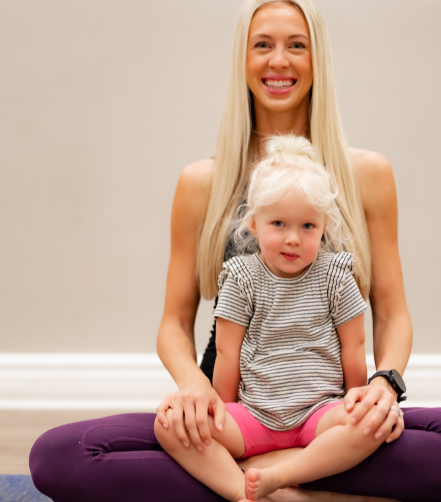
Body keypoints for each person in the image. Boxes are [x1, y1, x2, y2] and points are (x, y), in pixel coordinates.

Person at [29, 0, 441, 502]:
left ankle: (261, 481)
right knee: (60, 455)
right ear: (243, 57)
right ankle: (297, 487)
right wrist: (194, 389)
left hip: (327, 417)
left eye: (296, 45)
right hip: (232, 414)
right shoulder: (201, 183)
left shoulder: (367, 174)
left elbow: (391, 312)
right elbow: (173, 323)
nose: (278, 61)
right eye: (262, 45)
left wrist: (383, 385)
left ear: (316, 58)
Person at [156, 134, 387, 502]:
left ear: (323, 226)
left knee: (371, 423)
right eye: (278, 223)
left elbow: (354, 345)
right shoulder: (242, 278)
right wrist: (223, 413)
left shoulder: (337, 276)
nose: (292, 238)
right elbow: (228, 353)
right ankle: (243, 493)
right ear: (254, 223)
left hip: (319, 414)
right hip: (254, 417)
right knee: (169, 422)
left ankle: (279, 475)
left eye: (307, 227)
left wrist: (355, 401)